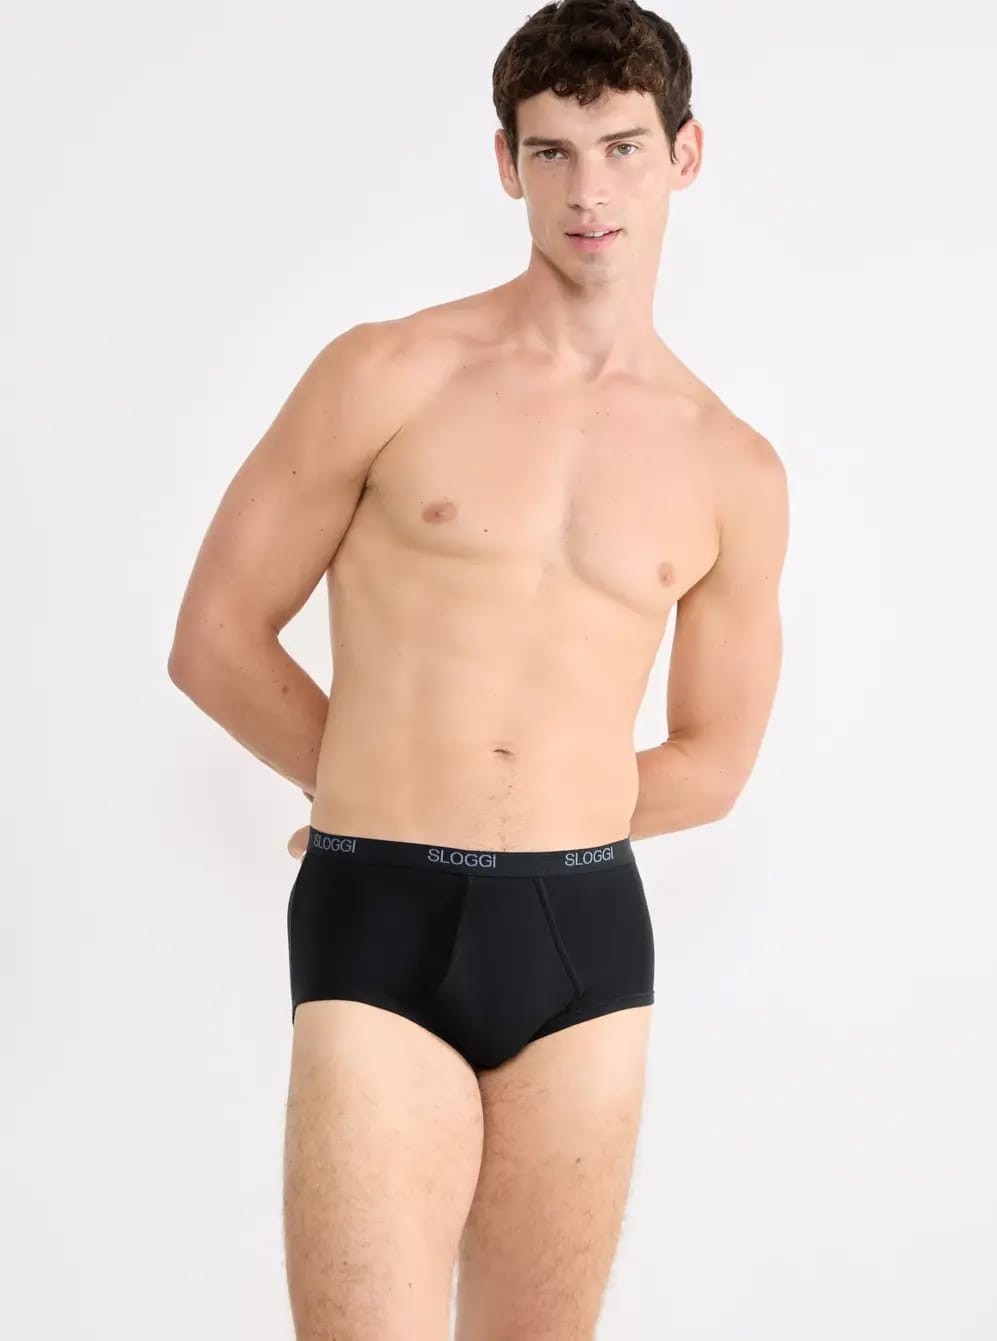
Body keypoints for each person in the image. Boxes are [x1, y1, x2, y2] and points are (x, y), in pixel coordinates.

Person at [167, 0, 788, 1336]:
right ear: (506, 164)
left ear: (685, 154)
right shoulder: (384, 372)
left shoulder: (730, 465)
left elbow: (714, 759)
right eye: (551, 152)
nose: (588, 191)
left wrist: (536, 804)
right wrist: (373, 778)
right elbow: (214, 635)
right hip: (378, 910)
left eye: (622, 148)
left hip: (582, 935)